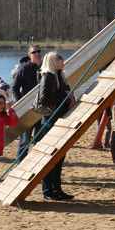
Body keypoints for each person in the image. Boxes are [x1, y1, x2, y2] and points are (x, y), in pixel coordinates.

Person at [37, 51, 75, 201]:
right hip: (50, 121)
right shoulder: (48, 76)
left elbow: (64, 92)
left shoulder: (59, 75)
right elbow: (44, 101)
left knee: (59, 157)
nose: (62, 60)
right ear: (53, 61)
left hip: (60, 120)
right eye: (59, 58)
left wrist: (69, 97)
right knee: (50, 157)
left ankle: (57, 189)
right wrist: (65, 98)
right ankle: (48, 191)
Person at [11, 44, 42, 161]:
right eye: (34, 52)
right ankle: (20, 163)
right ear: (29, 55)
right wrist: (21, 104)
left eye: (39, 51)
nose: (37, 54)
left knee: (39, 140)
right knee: (25, 140)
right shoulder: (24, 68)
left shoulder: (44, 68)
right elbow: (14, 87)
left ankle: (36, 164)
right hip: (27, 110)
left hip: (41, 109)